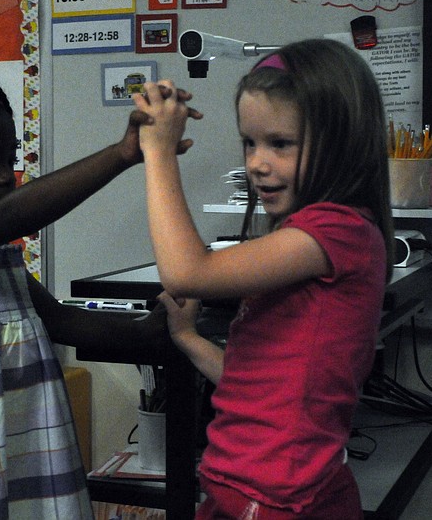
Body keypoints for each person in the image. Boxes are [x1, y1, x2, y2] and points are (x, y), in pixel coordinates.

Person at [0, 42, 201, 518]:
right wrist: (123, 154)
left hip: (27, 452)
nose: (7, 177)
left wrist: (147, 331)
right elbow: (14, 214)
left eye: (10, 160)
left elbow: (60, 322)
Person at [133, 38, 394, 519]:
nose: (256, 162)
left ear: (340, 144)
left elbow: (186, 272)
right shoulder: (316, 236)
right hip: (254, 492)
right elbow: (257, 383)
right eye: (250, 142)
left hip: (277, 499)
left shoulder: (338, 232)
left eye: (280, 143)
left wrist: (159, 151)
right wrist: (189, 338)